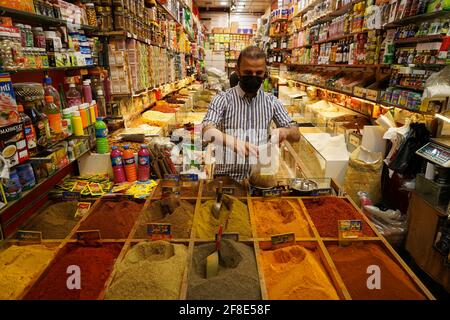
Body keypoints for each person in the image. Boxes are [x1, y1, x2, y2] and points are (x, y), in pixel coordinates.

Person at [202, 46, 300, 181]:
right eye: (248, 72)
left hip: (261, 178)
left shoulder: (272, 101)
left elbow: (296, 134)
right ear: (238, 71)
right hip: (228, 178)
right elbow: (206, 130)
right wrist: (231, 141)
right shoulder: (223, 99)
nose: (253, 77)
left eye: (259, 73)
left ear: (265, 73)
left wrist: (285, 132)